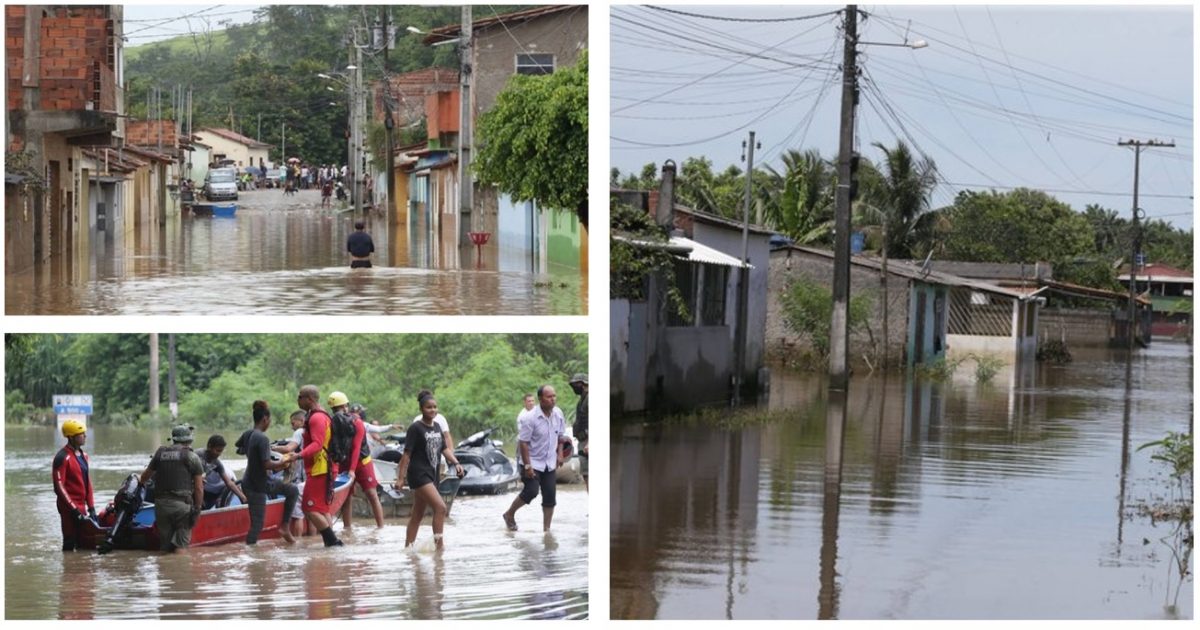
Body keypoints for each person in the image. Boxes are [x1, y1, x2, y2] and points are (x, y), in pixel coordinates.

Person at [395, 391, 464, 549]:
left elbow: (444, 449)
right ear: (421, 409)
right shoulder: (415, 428)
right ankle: (439, 547)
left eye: (434, 407)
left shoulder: (438, 426)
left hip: (432, 473)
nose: (432, 410)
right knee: (440, 507)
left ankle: (408, 548)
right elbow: (406, 455)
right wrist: (400, 478)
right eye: (428, 407)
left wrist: (456, 463)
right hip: (419, 474)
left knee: (417, 515)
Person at [502, 385, 570, 532]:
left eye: (554, 396)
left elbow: (560, 437)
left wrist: (559, 454)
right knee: (531, 491)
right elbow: (523, 443)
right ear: (540, 399)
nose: (553, 399)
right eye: (549, 397)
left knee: (550, 497)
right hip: (531, 461)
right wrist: (527, 466)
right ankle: (509, 514)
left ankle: (547, 530)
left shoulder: (558, 414)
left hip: (549, 462)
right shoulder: (529, 418)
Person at [236, 401, 299, 544]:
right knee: (257, 525)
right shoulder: (262, 438)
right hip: (257, 485)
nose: (269, 423)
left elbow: (238, 448)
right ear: (265, 419)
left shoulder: (248, 434)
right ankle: (251, 553)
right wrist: (284, 462)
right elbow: (267, 465)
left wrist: (251, 453)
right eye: (269, 421)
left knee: (292, 490)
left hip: (252, 481)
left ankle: (284, 527)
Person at [139, 425, 205, 552]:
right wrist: (197, 508)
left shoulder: (160, 453)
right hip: (182, 507)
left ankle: (165, 570)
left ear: (173, 439)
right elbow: (199, 488)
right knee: (180, 547)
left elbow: (144, 477)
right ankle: (179, 570)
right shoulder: (191, 457)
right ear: (189, 440)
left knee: (165, 546)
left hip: (161, 506)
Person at [327, 392, 386, 530]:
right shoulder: (333, 423)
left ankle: (381, 528)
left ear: (346, 406)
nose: (339, 412)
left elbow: (356, 447)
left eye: (340, 408)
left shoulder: (357, 423)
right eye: (335, 410)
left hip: (362, 462)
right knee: (346, 497)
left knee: (371, 494)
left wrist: (352, 470)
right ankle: (347, 529)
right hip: (344, 462)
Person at [297, 385, 344, 547]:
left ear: (309, 399)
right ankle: (330, 544)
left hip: (321, 468)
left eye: (300, 396)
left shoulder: (316, 418)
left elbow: (317, 444)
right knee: (322, 509)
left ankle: (332, 541)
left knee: (309, 508)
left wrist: (298, 455)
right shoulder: (320, 414)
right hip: (326, 466)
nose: (298, 399)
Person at [52, 419, 95, 551]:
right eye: (81, 434)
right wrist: (74, 509)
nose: (85, 436)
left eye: (84, 433)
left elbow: (87, 483)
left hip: (81, 506)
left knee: (84, 543)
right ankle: (69, 569)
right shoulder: (62, 457)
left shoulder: (84, 456)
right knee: (69, 543)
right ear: (71, 437)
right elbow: (59, 487)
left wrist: (91, 507)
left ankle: (80, 569)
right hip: (68, 508)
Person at [271, 409, 310, 538]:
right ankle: (312, 540)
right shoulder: (311, 431)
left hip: (301, 479)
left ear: (301, 421)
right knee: (311, 513)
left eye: (293, 423)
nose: (292, 427)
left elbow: (288, 449)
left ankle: (297, 544)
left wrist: (272, 448)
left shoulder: (299, 432)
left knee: (297, 515)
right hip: (312, 476)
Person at [200, 434, 247, 509]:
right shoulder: (198, 455)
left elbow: (229, 483)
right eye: (217, 450)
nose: (219, 454)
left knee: (219, 504)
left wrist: (243, 497)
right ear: (209, 446)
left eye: (221, 451)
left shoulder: (217, 464)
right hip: (201, 489)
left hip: (220, 491)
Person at [568, 374, 589, 492]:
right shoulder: (582, 399)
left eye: (576, 384)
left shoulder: (589, 398)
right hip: (583, 441)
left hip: (587, 441)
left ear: (583, 384)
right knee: (586, 475)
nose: (574, 387)